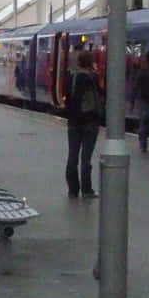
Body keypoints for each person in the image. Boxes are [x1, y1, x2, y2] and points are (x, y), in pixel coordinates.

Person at [65, 47, 103, 199]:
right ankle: (87, 191)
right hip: (89, 122)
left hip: (73, 122)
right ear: (91, 62)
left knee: (72, 157)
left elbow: (67, 97)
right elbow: (100, 95)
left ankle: (73, 190)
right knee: (86, 159)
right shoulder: (92, 77)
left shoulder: (71, 76)